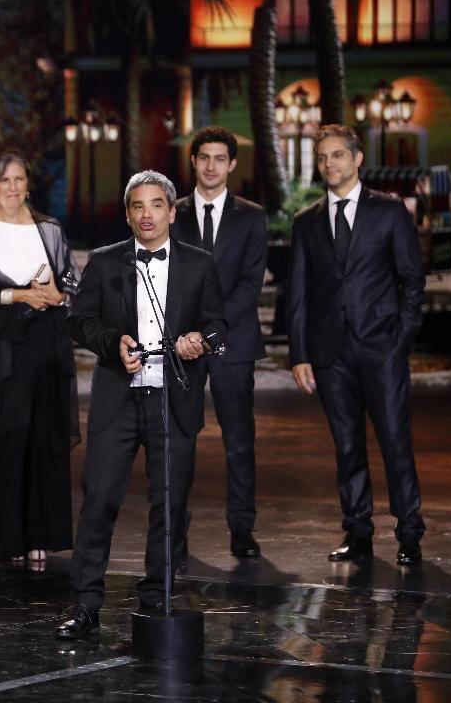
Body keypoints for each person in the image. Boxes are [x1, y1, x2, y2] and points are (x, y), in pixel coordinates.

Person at [55, 170, 226, 640]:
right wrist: (113, 344)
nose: (147, 214)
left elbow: (218, 324)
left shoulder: (199, 264)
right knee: (98, 500)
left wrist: (199, 339)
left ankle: (157, 600)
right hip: (119, 399)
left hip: (174, 398)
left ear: (172, 212)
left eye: (156, 205)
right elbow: (79, 321)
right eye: (137, 206)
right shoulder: (105, 261)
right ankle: (86, 604)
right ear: (128, 215)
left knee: (170, 503)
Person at [288, 124, 427, 566]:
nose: (329, 164)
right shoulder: (306, 222)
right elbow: (298, 294)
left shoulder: (389, 211)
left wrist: (400, 339)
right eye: (323, 157)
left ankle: (409, 533)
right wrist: (299, 354)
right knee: (347, 446)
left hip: (381, 348)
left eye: (337, 155)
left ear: (357, 158)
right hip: (330, 354)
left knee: (395, 442)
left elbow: (412, 280)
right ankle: (358, 532)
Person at [0, 152, 80, 563]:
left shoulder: (49, 228)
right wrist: (20, 295)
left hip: (44, 345)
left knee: (42, 437)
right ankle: (6, 539)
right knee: (5, 439)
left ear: (28, 185)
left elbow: (71, 282)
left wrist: (57, 294)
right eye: (4, 179)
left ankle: (42, 533)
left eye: (19, 179)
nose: (12, 187)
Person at [173, 127, 268, 558]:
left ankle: (242, 530)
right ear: (193, 161)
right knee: (179, 439)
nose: (211, 166)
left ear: (232, 164)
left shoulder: (251, 216)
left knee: (239, 440)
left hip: (234, 340)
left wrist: (212, 331)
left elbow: (250, 284)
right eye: (204, 157)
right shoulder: (171, 213)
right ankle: (175, 532)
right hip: (183, 344)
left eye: (219, 158)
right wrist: (190, 334)